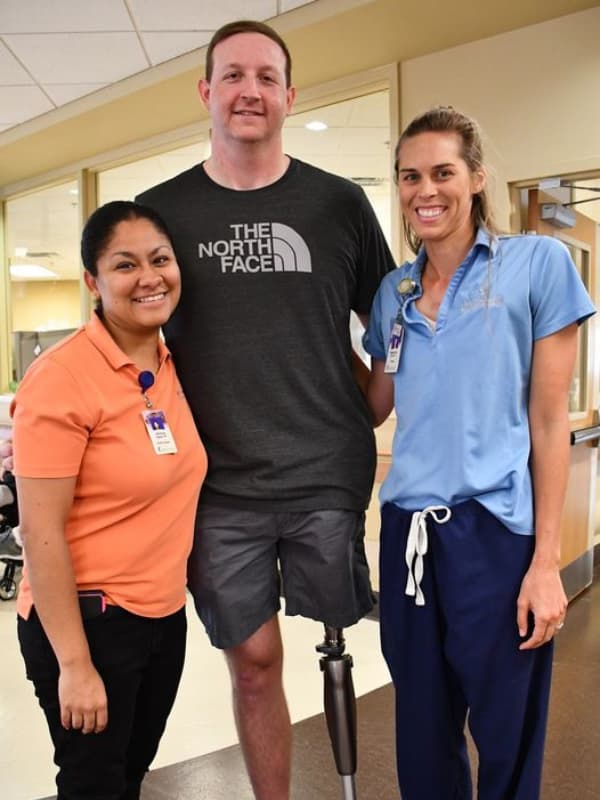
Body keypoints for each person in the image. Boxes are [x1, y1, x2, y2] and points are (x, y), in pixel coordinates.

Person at [136, 19, 396, 800]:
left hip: (325, 472)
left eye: (266, 76)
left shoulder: (339, 203)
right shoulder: (161, 213)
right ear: (206, 92)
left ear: (289, 94)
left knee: (337, 643)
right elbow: (131, 342)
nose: (250, 90)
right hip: (217, 485)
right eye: (233, 75)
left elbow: (389, 324)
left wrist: (371, 406)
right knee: (252, 662)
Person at [362, 106, 595, 799]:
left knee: (507, 731)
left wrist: (545, 563)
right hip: (407, 533)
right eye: (410, 176)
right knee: (422, 732)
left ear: (475, 177)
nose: (424, 190)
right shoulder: (394, 292)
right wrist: (301, 336)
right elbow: (371, 405)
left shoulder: (536, 264)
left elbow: (549, 423)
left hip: (494, 534)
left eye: (442, 172)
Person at [11, 201, 207, 800]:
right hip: (89, 623)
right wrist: (74, 664)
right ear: (94, 283)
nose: (149, 277)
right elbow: (40, 534)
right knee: (93, 785)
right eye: (125, 265)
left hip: (161, 618)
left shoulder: (169, 363)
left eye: (160, 259)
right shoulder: (62, 377)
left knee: (126, 778)